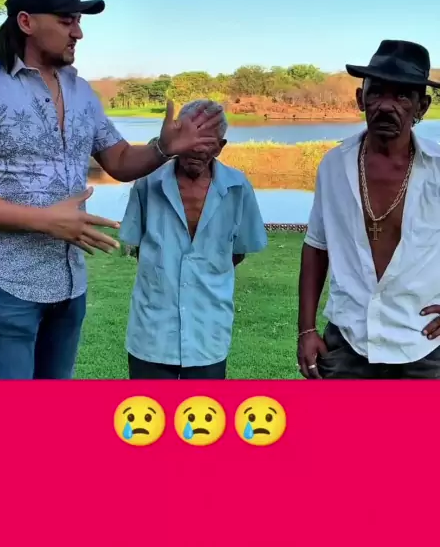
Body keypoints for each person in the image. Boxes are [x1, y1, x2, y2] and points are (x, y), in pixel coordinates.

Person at [0, 0, 222, 380]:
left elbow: (119, 160)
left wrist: (164, 147)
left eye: (79, 21)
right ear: (26, 21)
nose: (78, 33)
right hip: (0, 286)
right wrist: (44, 221)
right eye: (67, 21)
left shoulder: (81, 91)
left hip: (69, 289)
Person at [297, 39, 440, 380]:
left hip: (422, 341)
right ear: (361, 99)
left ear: (421, 106)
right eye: (377, 93)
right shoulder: (334, 165)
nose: (386, 106)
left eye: (402, 96)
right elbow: (317, 246)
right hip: (349, 338)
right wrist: (306, 329)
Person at [119, 99, 268, 379]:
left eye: (207, 142)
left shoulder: (238, 188)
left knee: (203, 407)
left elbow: (238, 252)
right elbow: (139, 248)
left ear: (220, 147)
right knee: (148, 407)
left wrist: (203, 272)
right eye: (191, 139)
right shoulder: (148, 182)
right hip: (152, 330)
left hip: (208, 330)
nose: (197, 149)